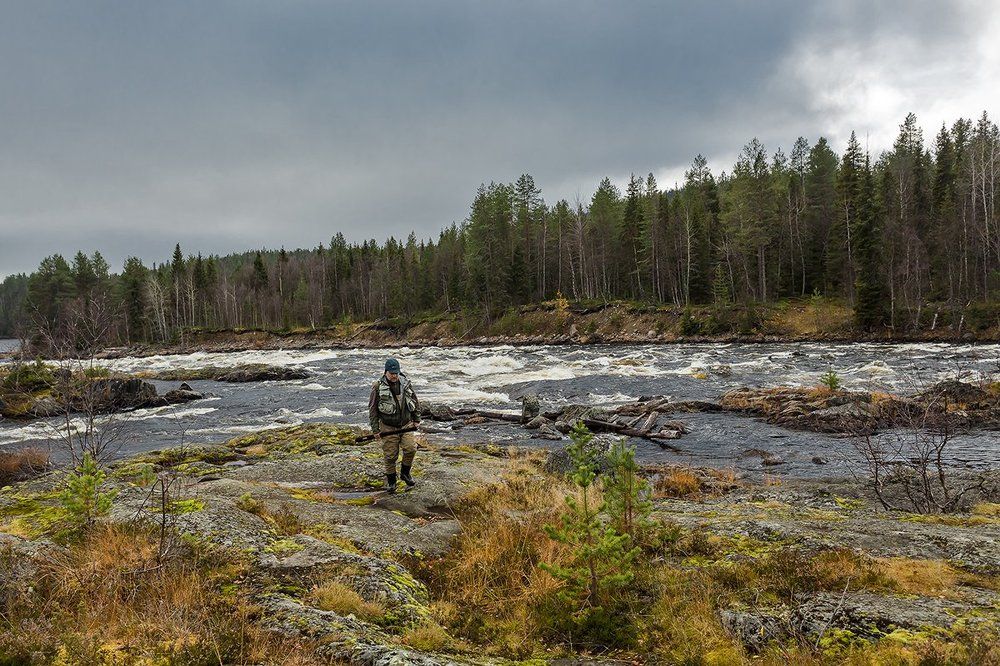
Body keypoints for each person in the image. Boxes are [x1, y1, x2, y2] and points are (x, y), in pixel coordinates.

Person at [368, 357, 420, 493]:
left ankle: (405, 473)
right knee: (390, 456)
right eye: (392, 373)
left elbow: (415, 400)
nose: (394, 376)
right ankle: (391, 481)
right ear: (386, 372)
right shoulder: (377, 387)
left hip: (406, 424)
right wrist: (375, 430)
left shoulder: (405, 383)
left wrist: (417, 419)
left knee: (411, 449)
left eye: (396, 373)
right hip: (387, 427)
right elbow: (373, 410)